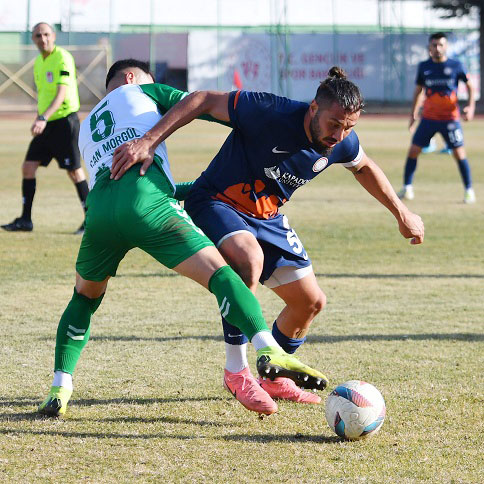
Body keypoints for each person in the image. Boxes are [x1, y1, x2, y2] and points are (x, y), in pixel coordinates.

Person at [110, 66, 425, 414]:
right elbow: (201, 100)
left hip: (268, 216)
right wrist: (148, 141)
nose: (340, 134)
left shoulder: (342, 142)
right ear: (313, 109)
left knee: (310, 303)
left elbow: (363, 166)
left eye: (349, 126)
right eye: (334, 123)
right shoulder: (268, 111)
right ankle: (236, 372)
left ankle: (273, 377)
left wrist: (402, 213)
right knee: (248, 259)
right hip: (216, 200)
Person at [37, 59, 327, 418]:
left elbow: (129, 181)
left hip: (99, 214)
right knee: (223, 274)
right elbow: (199, 105)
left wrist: (202, 188)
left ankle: (60, 386)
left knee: (84, 297)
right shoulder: (141, 89)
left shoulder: (87, 125)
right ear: (131, 78)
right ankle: (268, 348)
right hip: (148, 205)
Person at [1, 22, 88, 234]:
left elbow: (61, 93)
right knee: (28, 167)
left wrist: (42, 117)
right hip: (47, 123)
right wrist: (42, 118)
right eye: (38, 36)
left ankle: (91, 219)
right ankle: (25, 220)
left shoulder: (63, 58)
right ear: (33, 39)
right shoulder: (39, 62)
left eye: (47, 34)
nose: (43, 39)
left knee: (75, 172)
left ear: (54, 35)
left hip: (65, 122)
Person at [398, 32, 476, 204]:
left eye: (441, 45)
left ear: (446, 47)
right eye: (434, 45)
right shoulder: (424, 67)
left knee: (459, 153)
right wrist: (413, 114)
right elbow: (418, 91)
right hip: (428, 118)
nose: (437, 48)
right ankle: (407, 188)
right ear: (429, 48)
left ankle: (469, 190)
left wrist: (470, 107)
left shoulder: (456, 65)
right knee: (413, 151)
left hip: (450, 119)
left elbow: (470, 85)